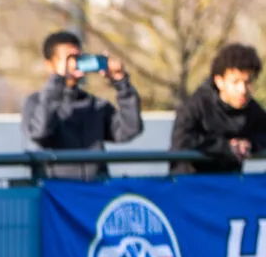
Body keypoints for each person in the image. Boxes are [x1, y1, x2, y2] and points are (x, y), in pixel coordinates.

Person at [22, 31, 143, 180]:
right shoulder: (36, 102)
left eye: (78, 57)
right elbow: (39, 133)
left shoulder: (95, 105)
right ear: (50, 64)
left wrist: (121, 82)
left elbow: (129, 129)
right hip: (56, 193)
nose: (74, 63)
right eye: (67, 58)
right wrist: (58, 79)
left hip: (94, 192)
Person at [171, 43, 266, 174]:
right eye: (235, 82)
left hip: (228, 187)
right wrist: (225, 147)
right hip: (190, 185)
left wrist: (250, 144)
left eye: (248, 82)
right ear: (219, 81)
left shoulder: (253, 110)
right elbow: (181, 140)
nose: (242, 90)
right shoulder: (196, 105)